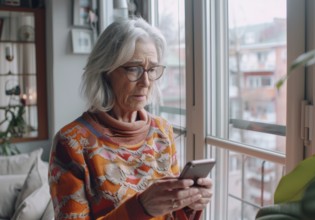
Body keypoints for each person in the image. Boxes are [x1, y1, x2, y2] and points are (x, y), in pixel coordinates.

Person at [48, 17, 213, 220]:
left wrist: (190, 203)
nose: (146, 82)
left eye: (152, 69)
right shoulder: (71, 142)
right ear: (105, 71)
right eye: (134, 68)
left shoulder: (163, 131)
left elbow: (172, 216)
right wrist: (140, 208)